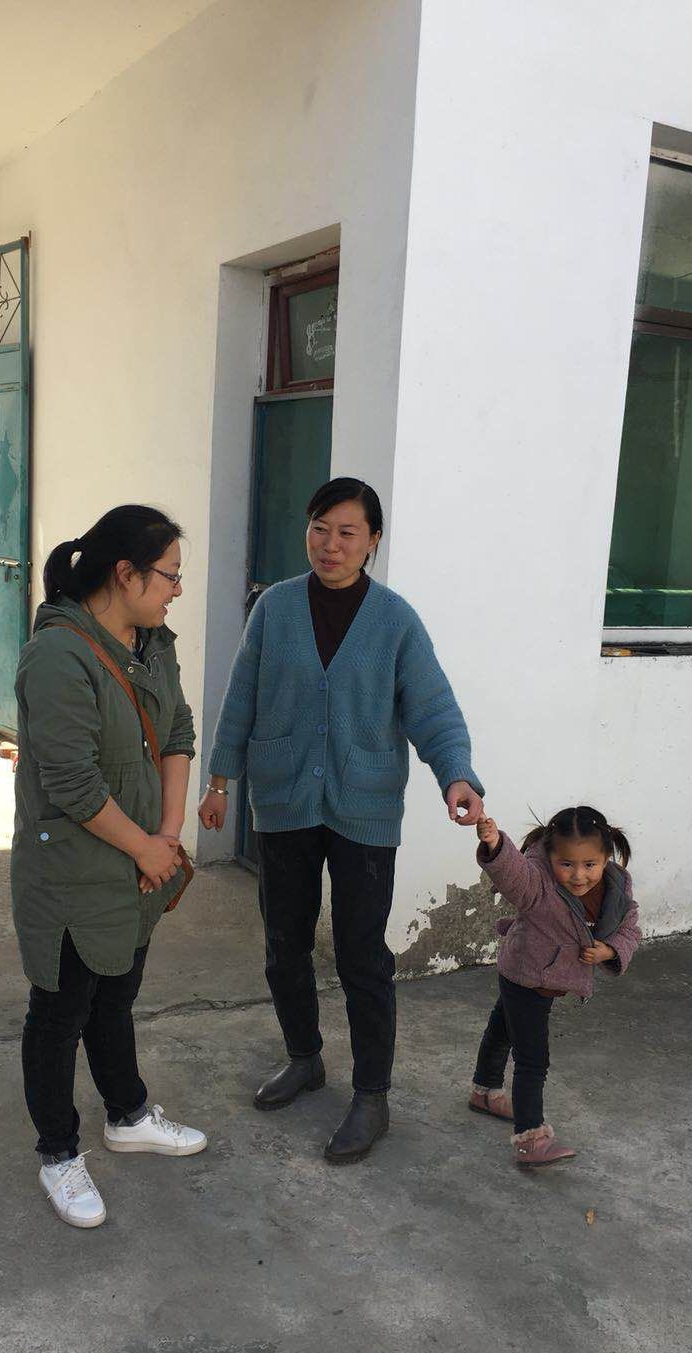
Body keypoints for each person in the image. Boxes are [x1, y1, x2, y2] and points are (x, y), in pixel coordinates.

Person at [199, 477, 484, 1164]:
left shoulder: (395, 621)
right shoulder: (274, 608)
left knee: (361, 954)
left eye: (347, 532)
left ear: (372, 541)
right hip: (284, 802)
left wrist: (457, 774)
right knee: (284, 944)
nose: (330, 544)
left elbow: (432, 707)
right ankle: (304, 1058)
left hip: (365, 807)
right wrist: (220, 779)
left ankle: (372, 1096)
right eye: (320, 528)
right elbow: (242, 696)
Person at [12, 505, 207, 1228]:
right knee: (60, 1012)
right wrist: (145, 847)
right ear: (125, 574)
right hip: (72, 868)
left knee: (116, 995)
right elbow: (71, 781)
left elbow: (177, 730)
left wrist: (166, 835)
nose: (177, 589)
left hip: (140, 860)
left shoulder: (154, 643)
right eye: (169, 575)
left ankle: (127, 1115)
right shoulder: (59, 655)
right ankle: (58, 1153)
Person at [471, 806, 641, 1167]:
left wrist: (611, 949)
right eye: (567, 864)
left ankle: (484, 1092)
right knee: (533, 1059)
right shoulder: (538, 883)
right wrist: (496, 844)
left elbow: (630, 928)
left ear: (605, 857)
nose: (579, 875)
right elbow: (514, 875)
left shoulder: (616, 887)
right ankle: (530, 1138)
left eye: (590, 864)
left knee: (503, 1029)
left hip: (548, 978)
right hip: (525, 974)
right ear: (550, 856)